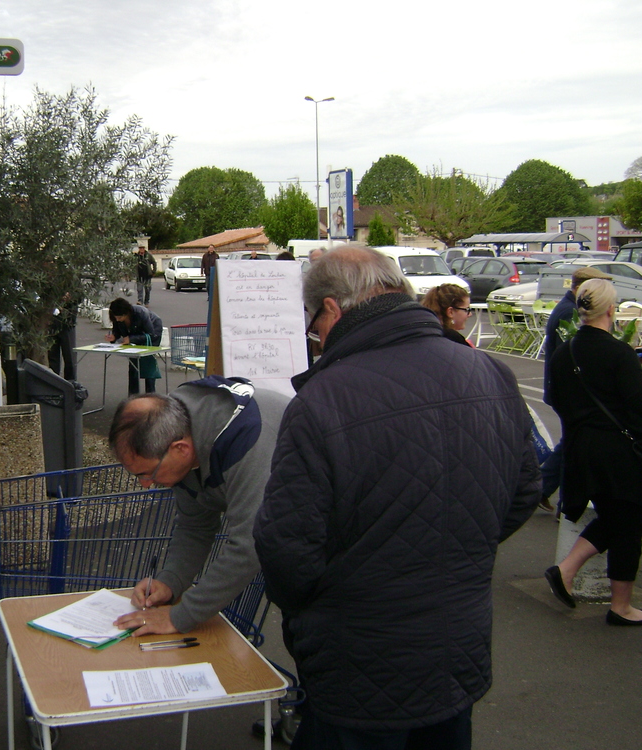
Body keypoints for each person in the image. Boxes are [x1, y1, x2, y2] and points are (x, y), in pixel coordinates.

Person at [253, 245, 541, 749]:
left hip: (358, 660)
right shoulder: (490, 373)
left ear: (333, 309)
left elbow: (287, 550)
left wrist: (318, 604)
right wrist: (461, 548)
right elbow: (524, 492)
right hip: (458, 645)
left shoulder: (323, 400)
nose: (314, 335)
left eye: (312, 320)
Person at [544, 279, 642, 625]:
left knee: (616, 517)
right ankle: (621, 607)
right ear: (612, 310)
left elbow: (556, 399)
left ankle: (566, 570)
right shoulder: (618, 353)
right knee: (630, 522)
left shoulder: (563, 352)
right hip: (617, 452)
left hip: (580, 450)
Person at [109, 377, 290, 635]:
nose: (146, 485)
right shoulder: (176, 429)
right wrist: (170, 581)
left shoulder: (248, 442)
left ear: (180, 449)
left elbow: (250, 544)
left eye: (148, 474)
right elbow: (195, 525)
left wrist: (180, 616)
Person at [539, 265, 613, 512]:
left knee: (570, 442)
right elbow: (573, 357)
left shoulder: (568, 307)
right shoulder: (568, 312)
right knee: (572, 445)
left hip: (563, 390)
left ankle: (542, 489)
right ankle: (554, 496)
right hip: (567, 392)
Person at [106, 297, 163, 394]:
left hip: (153, 329)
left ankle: (150, 394)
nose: (117, 320)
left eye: (119, 317)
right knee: (133, 363)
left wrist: (131, 339)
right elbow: (117, 331)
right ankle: (133, 395)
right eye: (116, 318)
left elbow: (150, 334)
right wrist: (113, 337)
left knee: (147, 361)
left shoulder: (141, 313)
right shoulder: (116, 316)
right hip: (136, 335)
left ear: (126, 313)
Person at [421, 283, 474, 347]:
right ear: (450, 312)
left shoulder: (424, 332)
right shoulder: (453, 339)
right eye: (467, 309)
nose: (470, 314)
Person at [48, 292, 80, 380]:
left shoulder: (73, 280)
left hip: (67, 322)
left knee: (69, 357)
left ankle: (71, 384)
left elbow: (80, 295)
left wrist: (71, 297)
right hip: (51, 321)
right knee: (52, 358)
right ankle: (54, 385)